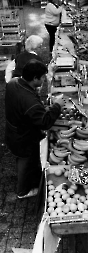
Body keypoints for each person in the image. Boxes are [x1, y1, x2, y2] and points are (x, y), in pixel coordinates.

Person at [5, 59, 65, 199]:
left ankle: (29, 178)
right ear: (34, 78)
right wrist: (57, 106)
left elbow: (27, 108)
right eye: (42, 77)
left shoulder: (14, 82)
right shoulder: (29, 100)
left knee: (22, 158)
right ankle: (23, 191)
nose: (44, 79)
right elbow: (45, 123)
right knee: (25, 160)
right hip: (23, 136)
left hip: (13, 129)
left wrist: (42, 107)